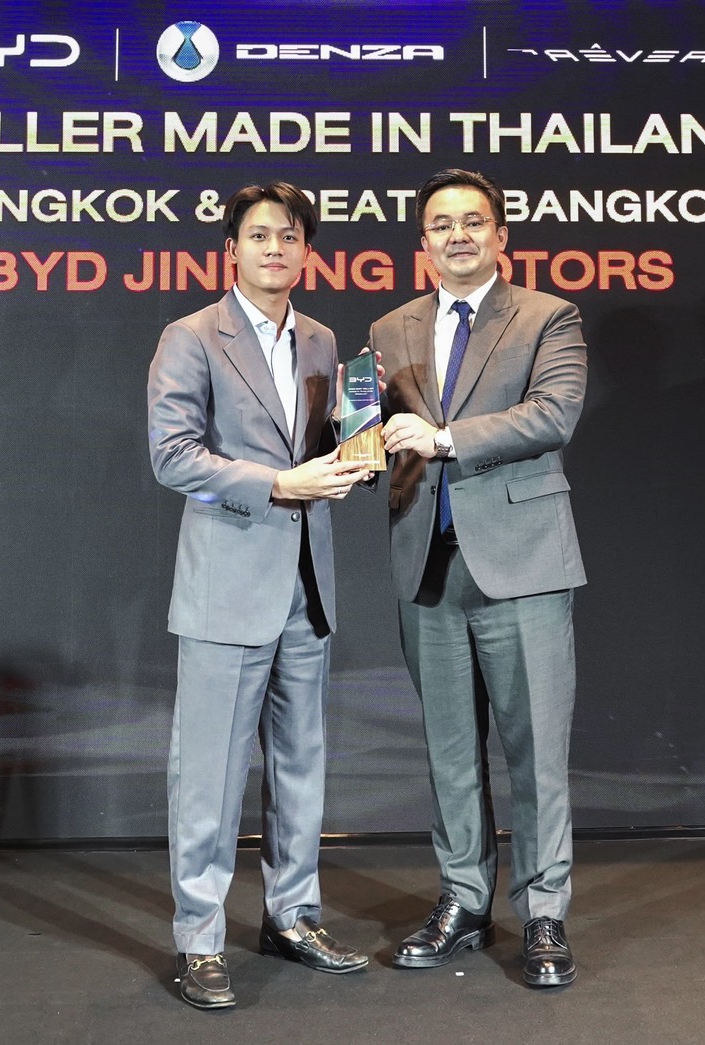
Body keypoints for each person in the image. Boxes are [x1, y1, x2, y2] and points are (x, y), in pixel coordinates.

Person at [147, 182, 373, 1010]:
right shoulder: (189, 336)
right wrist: (278, 482)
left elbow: (320, 446)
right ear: (231, 250)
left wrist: (354, 449)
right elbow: (173, 457)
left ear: (306, 251)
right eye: (258, 235)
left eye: (288, 236)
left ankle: (293, 915)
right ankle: (200, 938)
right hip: (226, 586)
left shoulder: (320, 339)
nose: (274, 248)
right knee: (208, 774)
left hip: (306, 582)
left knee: (300, 763)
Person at [371, 168, 588, 988]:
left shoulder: (546, 315)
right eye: (440, 224)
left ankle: (542, 912)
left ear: (500, 236)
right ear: (422, 242)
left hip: (521, 561)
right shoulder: (389, 326)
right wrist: (351, 445)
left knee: (535, 753)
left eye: (472, 222)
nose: (456, 235)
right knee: (448, 751)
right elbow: (378, 429)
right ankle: (463, 900)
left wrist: (442, 438)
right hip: (425, 564)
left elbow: (552, 414)